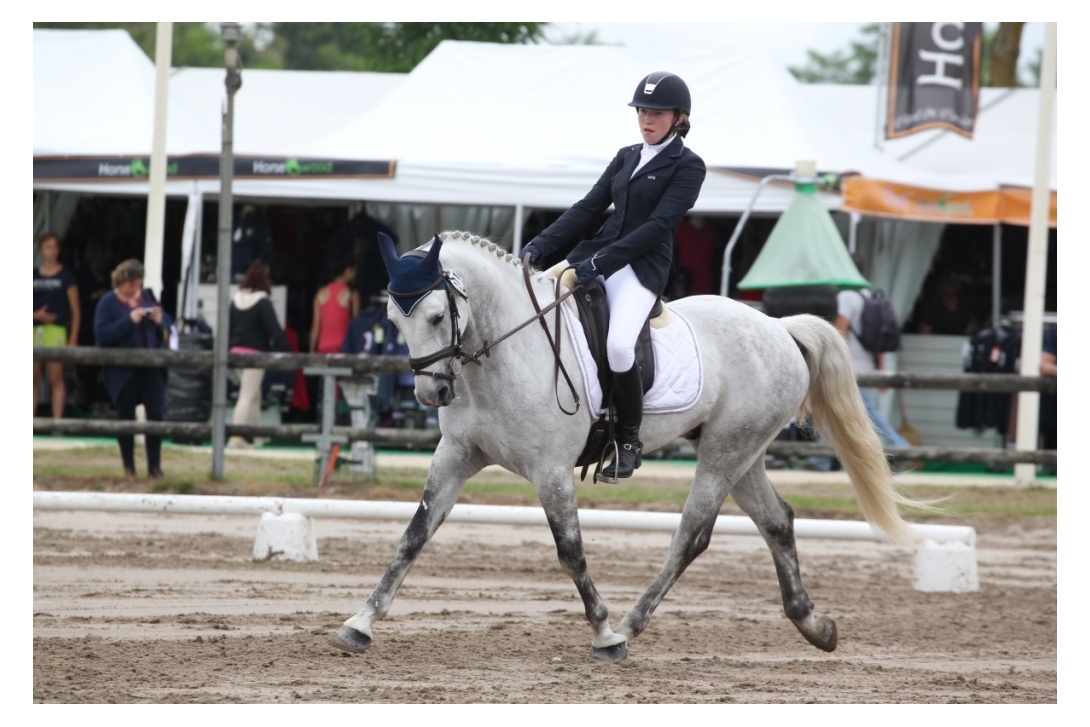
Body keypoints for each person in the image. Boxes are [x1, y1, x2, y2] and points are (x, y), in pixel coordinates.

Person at [520, 71, 707, 479]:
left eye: (657, 113)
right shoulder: (626, 156)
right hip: (595, 255)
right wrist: (539, 246)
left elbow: (658, 227)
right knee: (536, 310)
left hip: (640, 268)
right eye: (642, 110)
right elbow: (587, 209)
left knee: (620, 346)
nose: (646, 119)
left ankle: (627, 439)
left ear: (679, 117)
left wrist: (601, 264)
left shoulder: (689, 166)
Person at [94, 259, 172, 478]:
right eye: (131, 285)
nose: (134, 289)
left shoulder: (148, 296)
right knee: (126, 416)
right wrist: (130, 320)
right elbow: (102, 336)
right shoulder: (107, 303)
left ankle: (154, 467)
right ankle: (129, 466)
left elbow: (168, 325)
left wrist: (159, 320)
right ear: (121, 281)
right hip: (123, 370)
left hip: (151, 366)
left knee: (155, 414)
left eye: (137, 285)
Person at [227, 262, 290, 449]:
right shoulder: (263, 302)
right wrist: (285, 349)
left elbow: (228, 328)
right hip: (255, 355)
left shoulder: (235, 300)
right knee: (246, 395)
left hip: (235, 353)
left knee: (253, 395)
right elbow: (274, 330)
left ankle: (258, 436)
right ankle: (236, 437)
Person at [34, 232, 81, 422]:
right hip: (33, 329)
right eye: (48, 247)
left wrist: (73, 340)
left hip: (56, 329)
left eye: (55, 247)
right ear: (40, 250)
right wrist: (35, 315)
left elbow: (76, 311)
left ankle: (57, 422)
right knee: (32, 378)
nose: (52, 251)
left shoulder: (66, 276)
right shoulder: (32, 274)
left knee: (55, 377)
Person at [310, 253, 361, 354]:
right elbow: (357, 325)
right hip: (343, 347)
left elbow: (315, 327)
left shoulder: (320, 293)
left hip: (323, 347)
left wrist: (311, 350)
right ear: (347, 271)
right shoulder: (352, 294)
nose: (356, 274)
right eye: (354, 270)